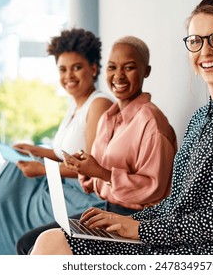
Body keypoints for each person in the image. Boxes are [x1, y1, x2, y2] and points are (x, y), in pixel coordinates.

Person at [30, 0, 213, 255]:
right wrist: (129, 222)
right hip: (173, 239)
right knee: (52, 238)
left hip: (206, 253)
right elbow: (175, 204)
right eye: (196, 41)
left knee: (53, 244)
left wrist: (140, 229)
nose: (205, 51)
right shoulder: (200, 117)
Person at [0, 28, 113, 255]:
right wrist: (34, 150)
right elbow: (65, 154)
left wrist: (42, 169)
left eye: (76, 67)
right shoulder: (74, 108)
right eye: (63, 69)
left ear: (93, 68)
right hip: (67, 184)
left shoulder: (98, 104)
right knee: (14, 166)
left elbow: (90, 168)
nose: (69, 76)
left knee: (16, 176)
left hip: (84, 195)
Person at [15, 35, 177, 254]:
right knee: (26, 242)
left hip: (136, 223)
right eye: (112, 67)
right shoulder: (109, 117)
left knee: (44, 246)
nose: (118, 75)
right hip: (106, 210)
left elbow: (154, 191)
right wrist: (84, 169)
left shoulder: (153, 123)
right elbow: (93, 178)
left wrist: (101, 172)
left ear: (145, 71)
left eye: (128, 68)